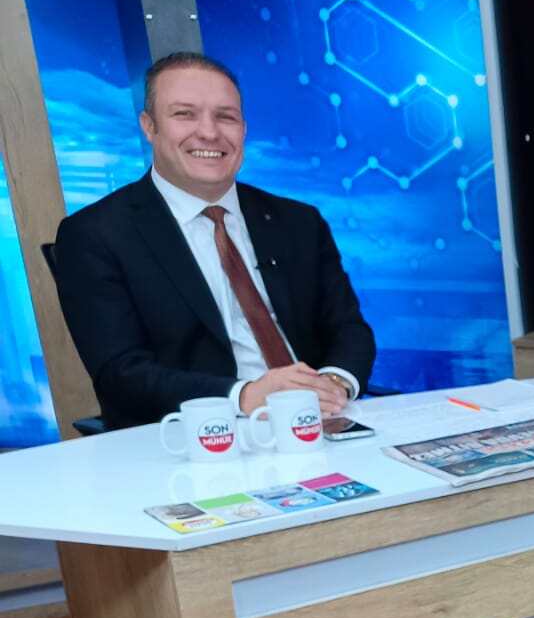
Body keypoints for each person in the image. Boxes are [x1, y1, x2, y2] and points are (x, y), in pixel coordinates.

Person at [52, 51, 375, 431]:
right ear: (149, 126)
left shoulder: (299, 222)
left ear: (244, 129)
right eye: (184, 114)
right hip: (192, 436)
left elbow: (349, 329)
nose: (209, 132)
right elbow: (121, 373)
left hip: (317, 422)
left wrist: (334, 383)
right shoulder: (94, 234)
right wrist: (244, 395)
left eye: (226, 117)